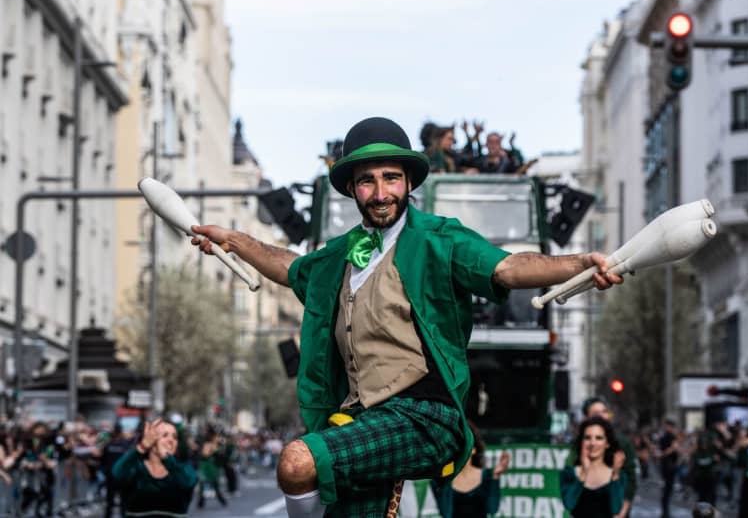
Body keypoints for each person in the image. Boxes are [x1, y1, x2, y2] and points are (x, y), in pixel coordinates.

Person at [191, 116, 622, 517]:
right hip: (361, 420)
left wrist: (579, 263)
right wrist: (233, 240)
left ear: (408, 181)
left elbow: (507, 267)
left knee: (297, 462)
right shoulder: (339, 256)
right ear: (351, 189)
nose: (381, 193)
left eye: (391, 178)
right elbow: (288, 266)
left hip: (423, 416)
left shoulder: (439, 239)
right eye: (367, 182)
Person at [112, 419, 197, 517]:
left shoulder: (183, 469)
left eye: (175, 437)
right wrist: (142, 447)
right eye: (165, 435)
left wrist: (166, 459)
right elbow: (117, 473)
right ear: (149, 439)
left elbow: (187, 483)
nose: (171, 440)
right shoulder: (136, 468)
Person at [432, 420, 510, 518]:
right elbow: (444, 511)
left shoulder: (487, 475)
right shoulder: (443, 476)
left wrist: (495, 476)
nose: (458, 449)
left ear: (473, 449)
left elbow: (492, 508)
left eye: (462, 444)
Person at [559, 416, 627, 518]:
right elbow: (569, 504)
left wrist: (615, 475)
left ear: (607, 443)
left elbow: (616, 509)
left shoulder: (619, 476)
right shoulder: (568, 473)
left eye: (599, 438)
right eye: (587, 438)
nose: (593, 443)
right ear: (581, 441)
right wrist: (584, 473)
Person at [582, 397, 638, 517]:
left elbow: (630, 477)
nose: (602, 416)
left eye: (604, 411)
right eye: (596, 413)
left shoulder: (622, 443)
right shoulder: (579, 445)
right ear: (586, 418)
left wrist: (623, 509)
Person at [100, 423, 132, 518]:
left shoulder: (108, 445)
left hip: (111, 477)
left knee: (110, 501)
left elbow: (103, 461)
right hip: (121, 477)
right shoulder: (126, 446)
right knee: (123, 502)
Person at [656, 419, 680, 518]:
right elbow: (673, 449)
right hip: (669, 465)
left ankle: (665, 511)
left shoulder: (664, 437)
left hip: (667, 465)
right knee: (667, 489)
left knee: (667, 489)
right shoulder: (670, 436)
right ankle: (665, 512)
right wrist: (666, 452)